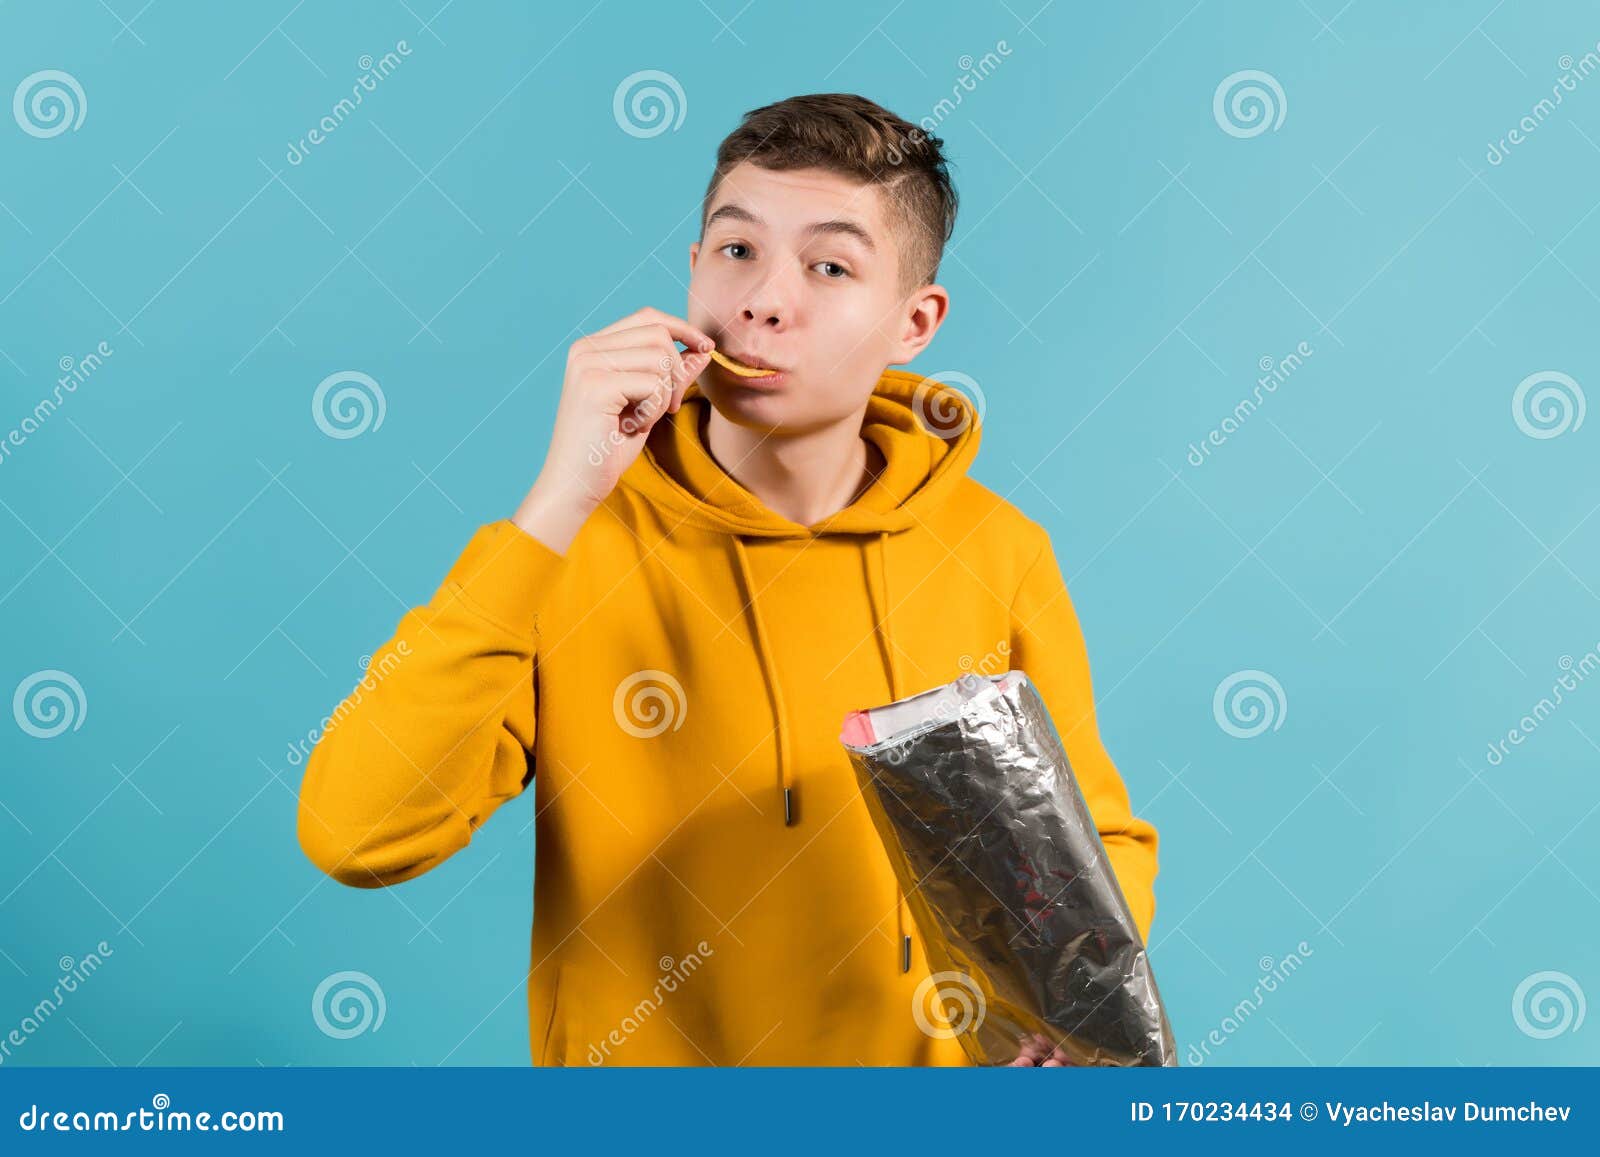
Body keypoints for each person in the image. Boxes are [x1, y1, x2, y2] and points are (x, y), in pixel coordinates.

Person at [295, 92, 1159, 1066]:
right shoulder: (569, 544)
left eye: (828, 265)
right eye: (735, 249)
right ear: (695, 270)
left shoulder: (996, 547)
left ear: (913, 321)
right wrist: (555, 502)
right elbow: (358, 830)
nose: (764, 299)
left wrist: (1052, 1009)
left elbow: (1095, 842)